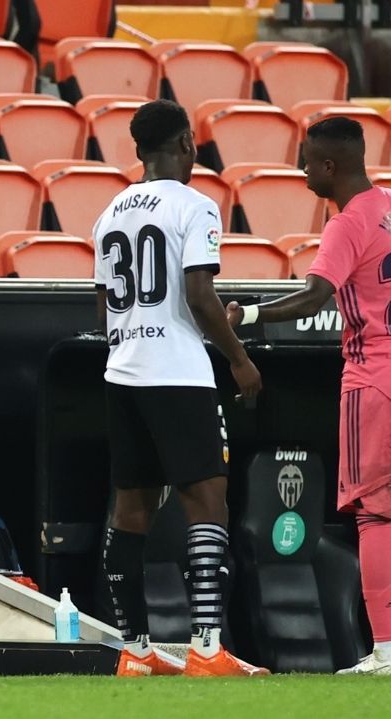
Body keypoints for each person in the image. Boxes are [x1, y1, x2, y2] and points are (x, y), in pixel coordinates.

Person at [228, 116, 391, 675]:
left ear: (330, 165)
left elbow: (314, 296)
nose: (303, 170)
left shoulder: (346, 224)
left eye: (308, 160)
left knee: (375, 519)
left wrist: (249, 315)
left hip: (374, 379)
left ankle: (383, 653)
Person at [93, 99, 265, 678]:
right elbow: (198, 295)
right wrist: (238, 360)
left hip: (123, 371)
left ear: (140, 150)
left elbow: (103, 311)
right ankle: (207, 649)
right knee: (206, 502)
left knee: (131, 508)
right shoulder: (196, 206)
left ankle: (136, 652)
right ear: (188, 143)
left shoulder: (110, 212)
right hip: (178, 373)